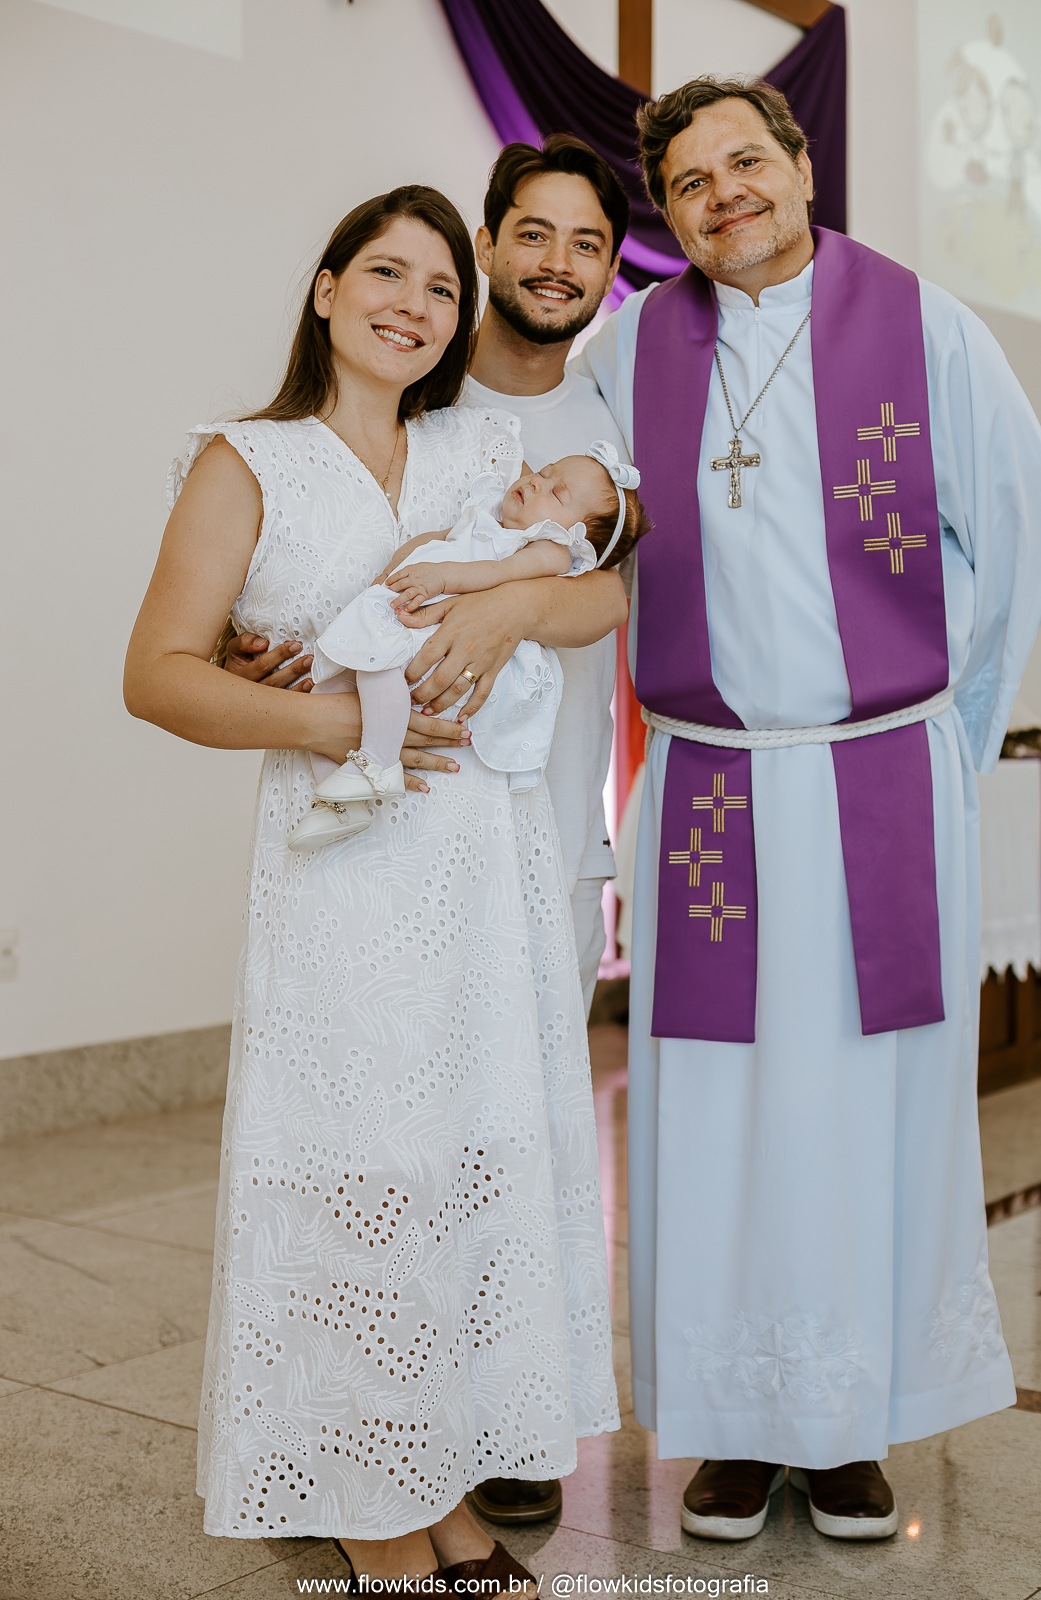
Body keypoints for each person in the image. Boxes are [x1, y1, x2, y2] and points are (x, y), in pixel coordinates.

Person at [574, 77, 1041, 1542]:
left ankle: (848, 1425)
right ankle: (729, 1425)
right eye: (688, 182)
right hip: (706, 787)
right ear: (668, 217)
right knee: (707, 1104)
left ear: (798, 167)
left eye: (745, 161)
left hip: (874, 778)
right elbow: (564, 522)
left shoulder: (921, 327)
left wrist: (942, 743)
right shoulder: (627, 351)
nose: (721, 193)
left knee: (868, 1098)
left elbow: (1019, 529)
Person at [124, 185, 624, 1589]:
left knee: (464, 1176)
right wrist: (340, 722)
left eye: (440, 288)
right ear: (328, 288)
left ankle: (440, 1480)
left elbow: (600, 595)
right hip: (344, 876)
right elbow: (157, 674)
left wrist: (508, 604)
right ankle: (368, 1507)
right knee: (360, 1181)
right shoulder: (249, 461)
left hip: (483, 871)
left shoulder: (479, 445)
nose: (414, 305)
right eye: (386, 275)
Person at [290, 443, 646, 851]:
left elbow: (498, 573)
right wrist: (395, 570)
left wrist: (442, 576)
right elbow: (435, 539)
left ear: (575, 537)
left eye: (556, 493)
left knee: (379, 666)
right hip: (419, 612)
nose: (536, 482)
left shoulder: (548, 552)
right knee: (328, 690)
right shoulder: (487, 516)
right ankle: (338, 801)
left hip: (448, 635)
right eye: (545, 472)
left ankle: (378, 762)